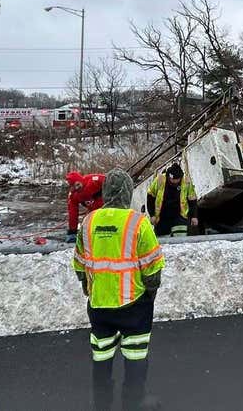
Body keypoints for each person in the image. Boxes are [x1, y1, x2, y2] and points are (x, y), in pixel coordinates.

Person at [73, 170, 165, 410]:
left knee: (101, 360)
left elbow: (80, 262)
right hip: (133, 305)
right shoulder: (137, 222)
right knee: (135, 360)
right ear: (127, 192)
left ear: (105, 193)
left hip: (99, 306)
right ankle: (132, 404)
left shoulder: (89, 221)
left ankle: (102, 405)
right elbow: (153, 267)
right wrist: (150, 293)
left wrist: (87, 285)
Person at [146, 162, 198, 237]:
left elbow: (192, 200)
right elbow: (150, 197)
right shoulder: (160, 179)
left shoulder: (186, 181)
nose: (174, 182)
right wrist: (152, 215)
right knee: (163, 241)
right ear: (169, 177)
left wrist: (194, 216)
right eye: (172, 180)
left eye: (177, 180)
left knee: (181, 240)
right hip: (162, 217)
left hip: (180, 217)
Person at [66, 170, 106, 238]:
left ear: (81, 180)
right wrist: (72, 231)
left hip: (108, 207)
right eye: (73, 186)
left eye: (77, 184)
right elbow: (73, 213)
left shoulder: (94, 180)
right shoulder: (73, 195)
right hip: (93, 212)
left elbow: (111, 181)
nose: (77, 188)